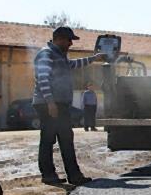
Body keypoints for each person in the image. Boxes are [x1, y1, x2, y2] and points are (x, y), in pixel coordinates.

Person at [32, 26, 104, 185]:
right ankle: (51, 174)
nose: (71, 43)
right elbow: (43, 79)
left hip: (59, 103)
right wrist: (50, 102)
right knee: (49, 139)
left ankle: (72, 175)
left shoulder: (60, 57)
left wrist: (93, 58)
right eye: (69, 40)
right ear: (58, 39)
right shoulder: (46, 54)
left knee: (65, 138)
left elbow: (73, 64)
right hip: (49, 104)